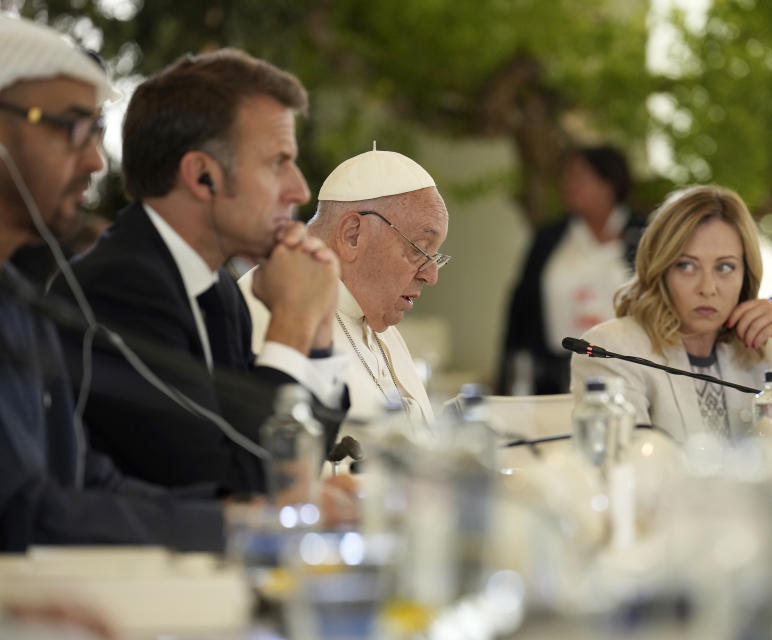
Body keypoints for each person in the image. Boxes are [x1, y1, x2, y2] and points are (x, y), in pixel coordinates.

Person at [51, 49, 348, 492]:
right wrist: (291, 324)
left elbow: (296, 469)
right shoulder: (119, 290)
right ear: (202, 175)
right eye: (277, 162)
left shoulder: (220, 292)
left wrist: (318, 331)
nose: (299, 189)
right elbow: (230, 487)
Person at [0, 14, 223, 550]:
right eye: (73, 126)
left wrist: (247, 519)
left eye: (97, 131)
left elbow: (82, 478)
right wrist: (227, 529)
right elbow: (21, 515)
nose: (97, 160)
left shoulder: (17, 298)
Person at [570, 185, 772, 452]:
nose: (707, 288)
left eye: (724, 268)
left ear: (746, 275)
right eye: (687, 266)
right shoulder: (612, 350)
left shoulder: (763, 350)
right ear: (660, 269)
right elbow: (629, 470)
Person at [240, 147, 448, 427]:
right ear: (352, 234)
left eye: (435, 257)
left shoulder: (380, 323)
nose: (431, 276)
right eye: (420, 250)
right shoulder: (269, 302)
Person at [500, 145, 645, 395]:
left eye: (578, 176)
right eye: (565, 176)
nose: (567, 184)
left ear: (608, 184)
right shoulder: (549, 238)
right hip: (554, 376)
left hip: (628, 371)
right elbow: (521, 307)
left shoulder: (644, 235)